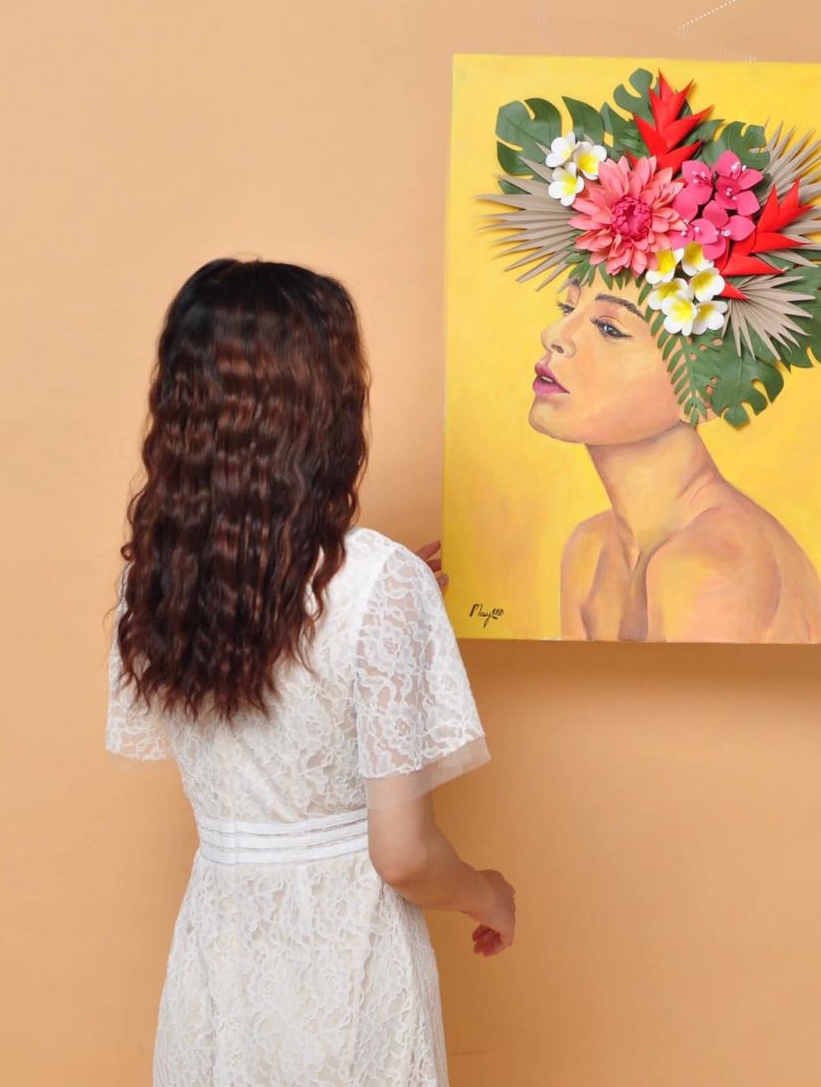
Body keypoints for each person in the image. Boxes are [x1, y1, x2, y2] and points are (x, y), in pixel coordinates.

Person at [105, 257, 515, 1086]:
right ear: (325, 405)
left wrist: (396, 606)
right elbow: (403, 856)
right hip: (348, 969)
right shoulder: (375, 581)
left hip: (218, 964)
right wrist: (487, 893)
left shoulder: (155, 578)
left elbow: (271, 648)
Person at [530, 272, 821, 643]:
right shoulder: (589, 550)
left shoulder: (714, 563)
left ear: (707, 390)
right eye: (567, 308)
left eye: (610, 329)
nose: (554, 334)